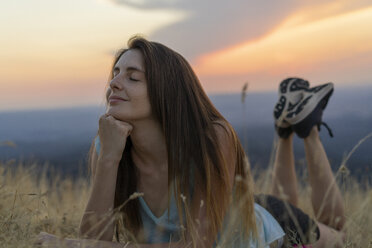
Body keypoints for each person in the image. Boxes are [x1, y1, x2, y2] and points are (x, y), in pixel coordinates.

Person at [35, 38, 345, 247]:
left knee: (340, 234)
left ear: (165, 90)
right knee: (282, 197)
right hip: (230, 205)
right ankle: (284, 130)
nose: (114, 82)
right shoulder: (108, 146)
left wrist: (68, 244)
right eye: (115, 73)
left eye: (132, 77)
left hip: (265, 229)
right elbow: (94, 240)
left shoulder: (212, 137)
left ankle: (307, 131)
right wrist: (108, 160)